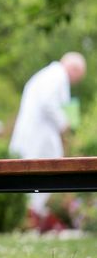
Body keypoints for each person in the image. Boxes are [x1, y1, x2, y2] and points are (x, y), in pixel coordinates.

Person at [9, 52, 87, 229]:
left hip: (38, 134)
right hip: (39, 136)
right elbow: (48, 103)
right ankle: (33, 216)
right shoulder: (57, 76)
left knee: (38, 174)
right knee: (45, 171)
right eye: (78, 77)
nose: (75, 82)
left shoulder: (50, 75)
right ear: (74, 69)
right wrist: (64, 123)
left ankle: (35, 214)